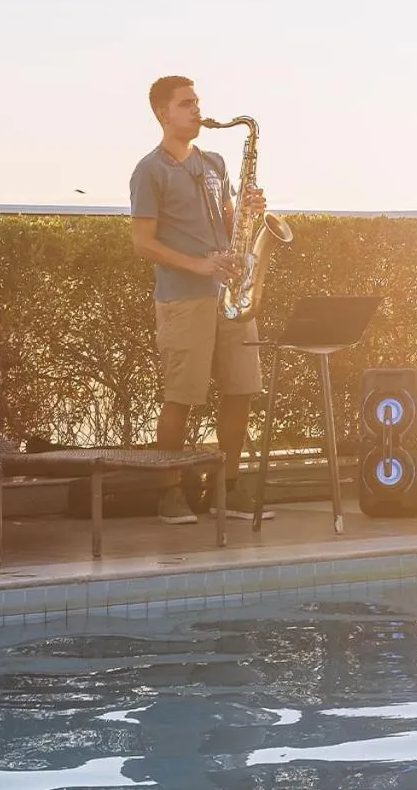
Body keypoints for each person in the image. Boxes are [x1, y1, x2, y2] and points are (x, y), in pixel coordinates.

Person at [129, 75, 275, 524]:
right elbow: (142, 243)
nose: (196, 110)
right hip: (184, 298)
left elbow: (231, 221)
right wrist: (199, 266)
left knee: (242, 390)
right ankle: (168, 493)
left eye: (197, 102)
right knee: (181, 396)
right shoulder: (149, 170)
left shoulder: (214, 163)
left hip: (230, 295)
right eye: (186, 103)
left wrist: (249, 210)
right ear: (162, 113)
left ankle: (225, 490)